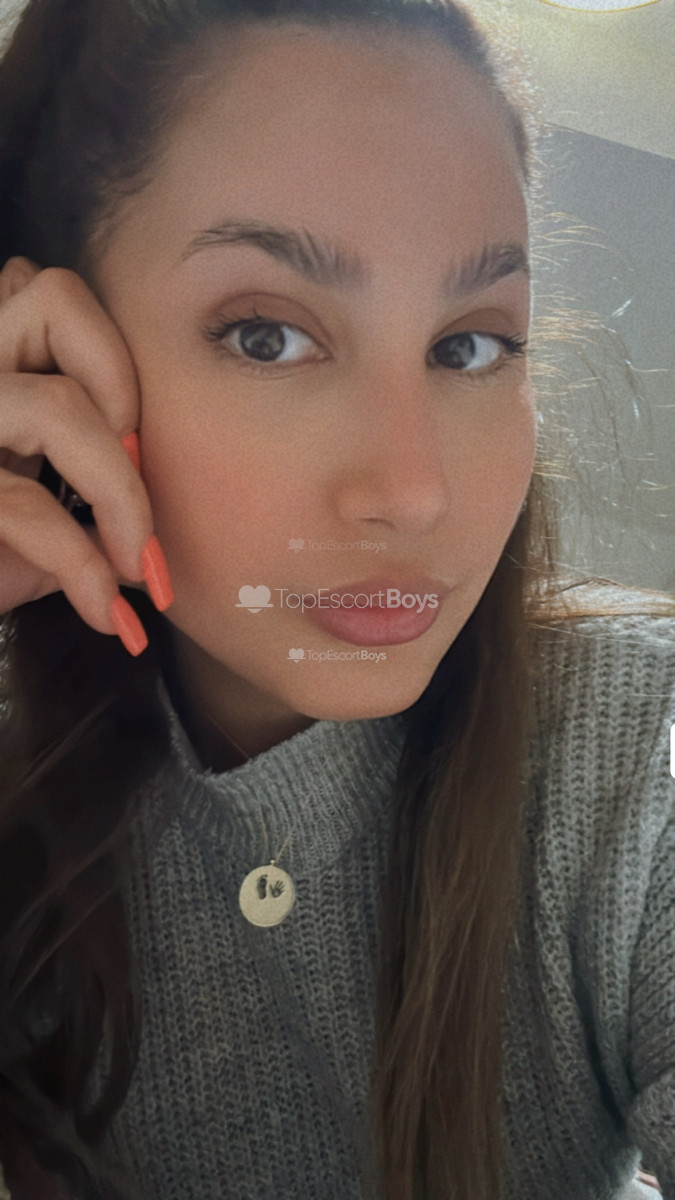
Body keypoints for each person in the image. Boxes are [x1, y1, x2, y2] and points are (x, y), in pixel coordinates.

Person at [0, 0, 672, 1197]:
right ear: (54, 361)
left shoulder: (634, 758)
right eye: (267, 336)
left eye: (470, 346)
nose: (412, 492)